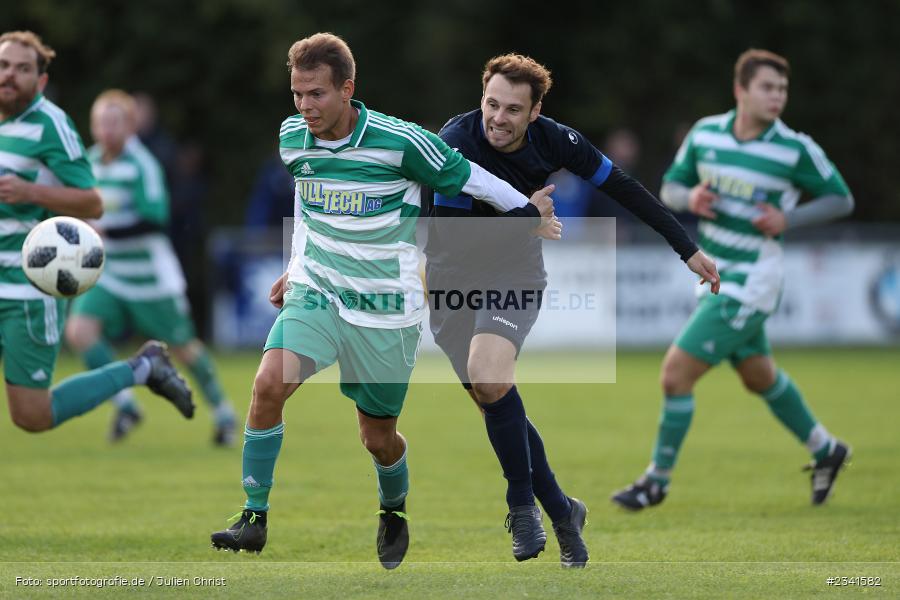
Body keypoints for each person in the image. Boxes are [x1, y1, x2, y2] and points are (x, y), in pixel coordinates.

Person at [209, 33, 557, 569]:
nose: (304, 107)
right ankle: (253, 518)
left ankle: (393, 509)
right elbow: (307, 203)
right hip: (318, 292)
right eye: (297, 94)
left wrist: (529, 212)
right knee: (267, 384)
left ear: (348, 89)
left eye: (316, 95)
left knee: (379, 439)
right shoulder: (293, 138)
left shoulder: (402, 142)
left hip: (386, 311)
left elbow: (476, 179)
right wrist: (296, 265)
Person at [425, 54, 720, 567]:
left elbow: (624, 187)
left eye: (513, 109)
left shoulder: (557, 140)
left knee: (489, 379)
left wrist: (686, 247)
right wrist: (524, 219)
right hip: (450, 285)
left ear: (535, 112)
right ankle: (564, 513)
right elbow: (448, 243)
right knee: (497, 405)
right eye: (492, 104)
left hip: (512, 277)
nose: (498, 117)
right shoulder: (455, 144)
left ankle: (521, 507)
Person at [612, 49, 854, 511]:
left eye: (782, 89)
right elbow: (670, 188)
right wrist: (692, 195)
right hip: (714, 270)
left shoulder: (793, 147)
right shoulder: (706, 134)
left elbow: (840, 199)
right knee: (758, 376)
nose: (777, 96)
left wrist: (789, 218)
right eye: (767, 87)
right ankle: (827, 449)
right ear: (741, 90)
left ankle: (655, 481)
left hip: (753, 278)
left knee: (675, 374)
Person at [0, 31, 193, 435]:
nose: (10, 75)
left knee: (32, 415)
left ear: (41, 81)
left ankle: (141, 368)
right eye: (4, 66)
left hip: (24, 288)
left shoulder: (49, 125)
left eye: (22, 69)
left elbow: (92, 203)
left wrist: (30, 191)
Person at [64, 90, 236, 445]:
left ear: (130, 126)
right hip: (110, 274)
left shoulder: (143, 165)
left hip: (151, 279)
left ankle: (224, 413)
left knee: (185, 348)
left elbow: (157, 220)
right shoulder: (91, 162)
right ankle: (125, 404)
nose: (107, 130)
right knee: (80, 332)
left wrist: (107, 230)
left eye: (116, 122)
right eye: (101, 123)